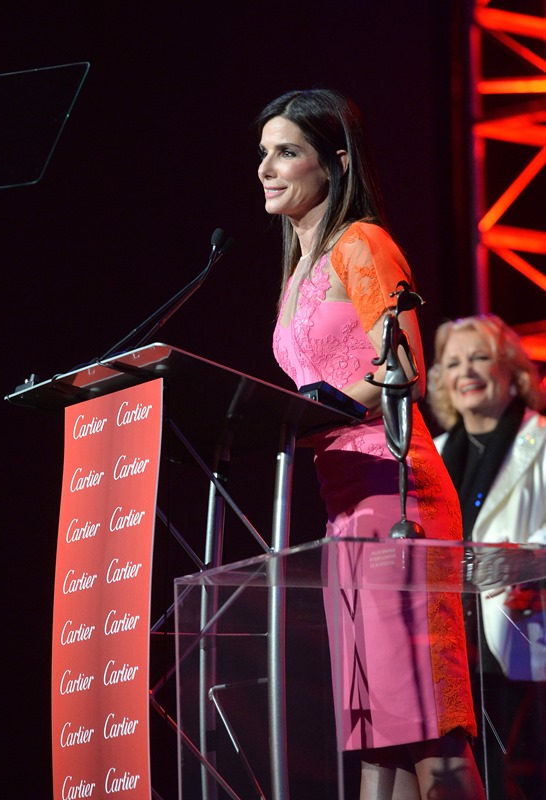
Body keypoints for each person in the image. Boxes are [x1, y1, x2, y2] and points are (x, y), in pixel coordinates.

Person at [257, 88, 485, 800]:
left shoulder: (361, 243)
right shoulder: (298, 271)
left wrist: (310, 412)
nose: (266, 169)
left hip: (396, 494)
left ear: (337, 162)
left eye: (286, 152)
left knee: (429, 728)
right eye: (263, 153)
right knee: (377, 738)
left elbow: (404, 366)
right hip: (344, 509)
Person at [427, 313, 546, 800]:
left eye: (479, 357)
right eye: (453, 363)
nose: (466, 371)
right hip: (450, 650)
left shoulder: (541, 439)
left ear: (511, 370)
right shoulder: (429, 456)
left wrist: (527, 565)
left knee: (523, 778)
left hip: (523, 635)